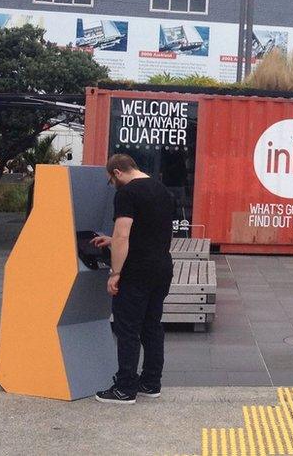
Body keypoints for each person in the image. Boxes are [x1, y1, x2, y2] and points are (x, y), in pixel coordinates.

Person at [91, 154, 175, 404]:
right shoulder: (162, 190)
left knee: (127, 328)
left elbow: (123, 234)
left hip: (136, 271)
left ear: (117, 172)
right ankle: (150, 383)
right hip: (161, 267)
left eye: (110, 180)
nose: (112, 185)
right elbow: (148, 230)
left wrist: (115, 272)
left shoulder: (127, 193)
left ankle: (125, 388)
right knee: (152, 325)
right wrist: (112, 240)